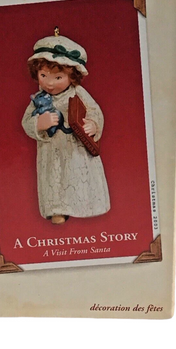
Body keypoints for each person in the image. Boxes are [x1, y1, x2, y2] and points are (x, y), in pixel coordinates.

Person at [21, 33, 110, 224]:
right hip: (51, 150)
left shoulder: (78, 93)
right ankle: (58, 211)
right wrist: (39, 123)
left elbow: (95, 111)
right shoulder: (39, 99)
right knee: (54, 179)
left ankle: (86, 206)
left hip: (76, 148)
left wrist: (93, 124)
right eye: (43, 75)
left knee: (78, 176)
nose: (49, 83)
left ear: (72, 76)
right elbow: (26, 121)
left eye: (58, 77)